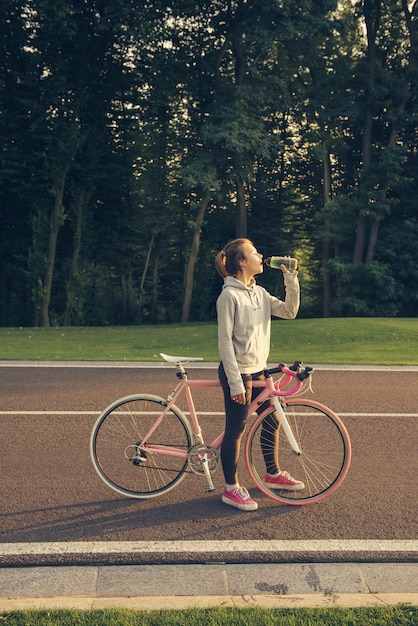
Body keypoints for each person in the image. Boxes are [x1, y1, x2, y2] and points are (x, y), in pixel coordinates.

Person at [215, 238, 304, 511]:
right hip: (238, 373)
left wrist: (291, 279)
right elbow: (225, 343)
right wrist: (234, 383)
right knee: (236, 430)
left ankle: (272, 474)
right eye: (254, 253)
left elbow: (289, 312)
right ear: (241, 262)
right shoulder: (228, 296)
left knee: (272, 420)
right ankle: (231, 488)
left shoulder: (260, 293)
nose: (261, 255)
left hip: (258, 370)